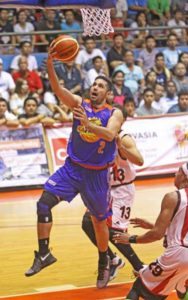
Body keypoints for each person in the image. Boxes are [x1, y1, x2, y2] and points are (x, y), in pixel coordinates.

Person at [25, 53, 124, 290]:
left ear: (108, 93)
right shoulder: (80, 104)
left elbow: (110, 135)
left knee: (99, 222)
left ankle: (105, 260)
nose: (95, 88)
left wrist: (88, 124)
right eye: (94, 84)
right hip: (72, 168)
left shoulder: (114, 113)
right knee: (43, 203)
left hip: (97, 175)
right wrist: (50, 64)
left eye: (100, 86)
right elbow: (58, 89)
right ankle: (44, 253)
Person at [82, 109, 144, 281]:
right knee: (88, 223)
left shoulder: (124, 138)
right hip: (105, 189)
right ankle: (113, 259)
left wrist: (121, 147)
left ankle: (140, 267)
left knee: (114, 231)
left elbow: (139, 160)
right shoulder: (98, 137)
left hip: (122, 190)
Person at [113, 162, 188, 300]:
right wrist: (152, 225)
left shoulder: (173, 197)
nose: (175, 174)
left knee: (140, 285)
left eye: (178, 171)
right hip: (184, 256)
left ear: (184, 177)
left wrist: (130, 238)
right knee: (180, 288)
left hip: (177, 255)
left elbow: (156, 235)